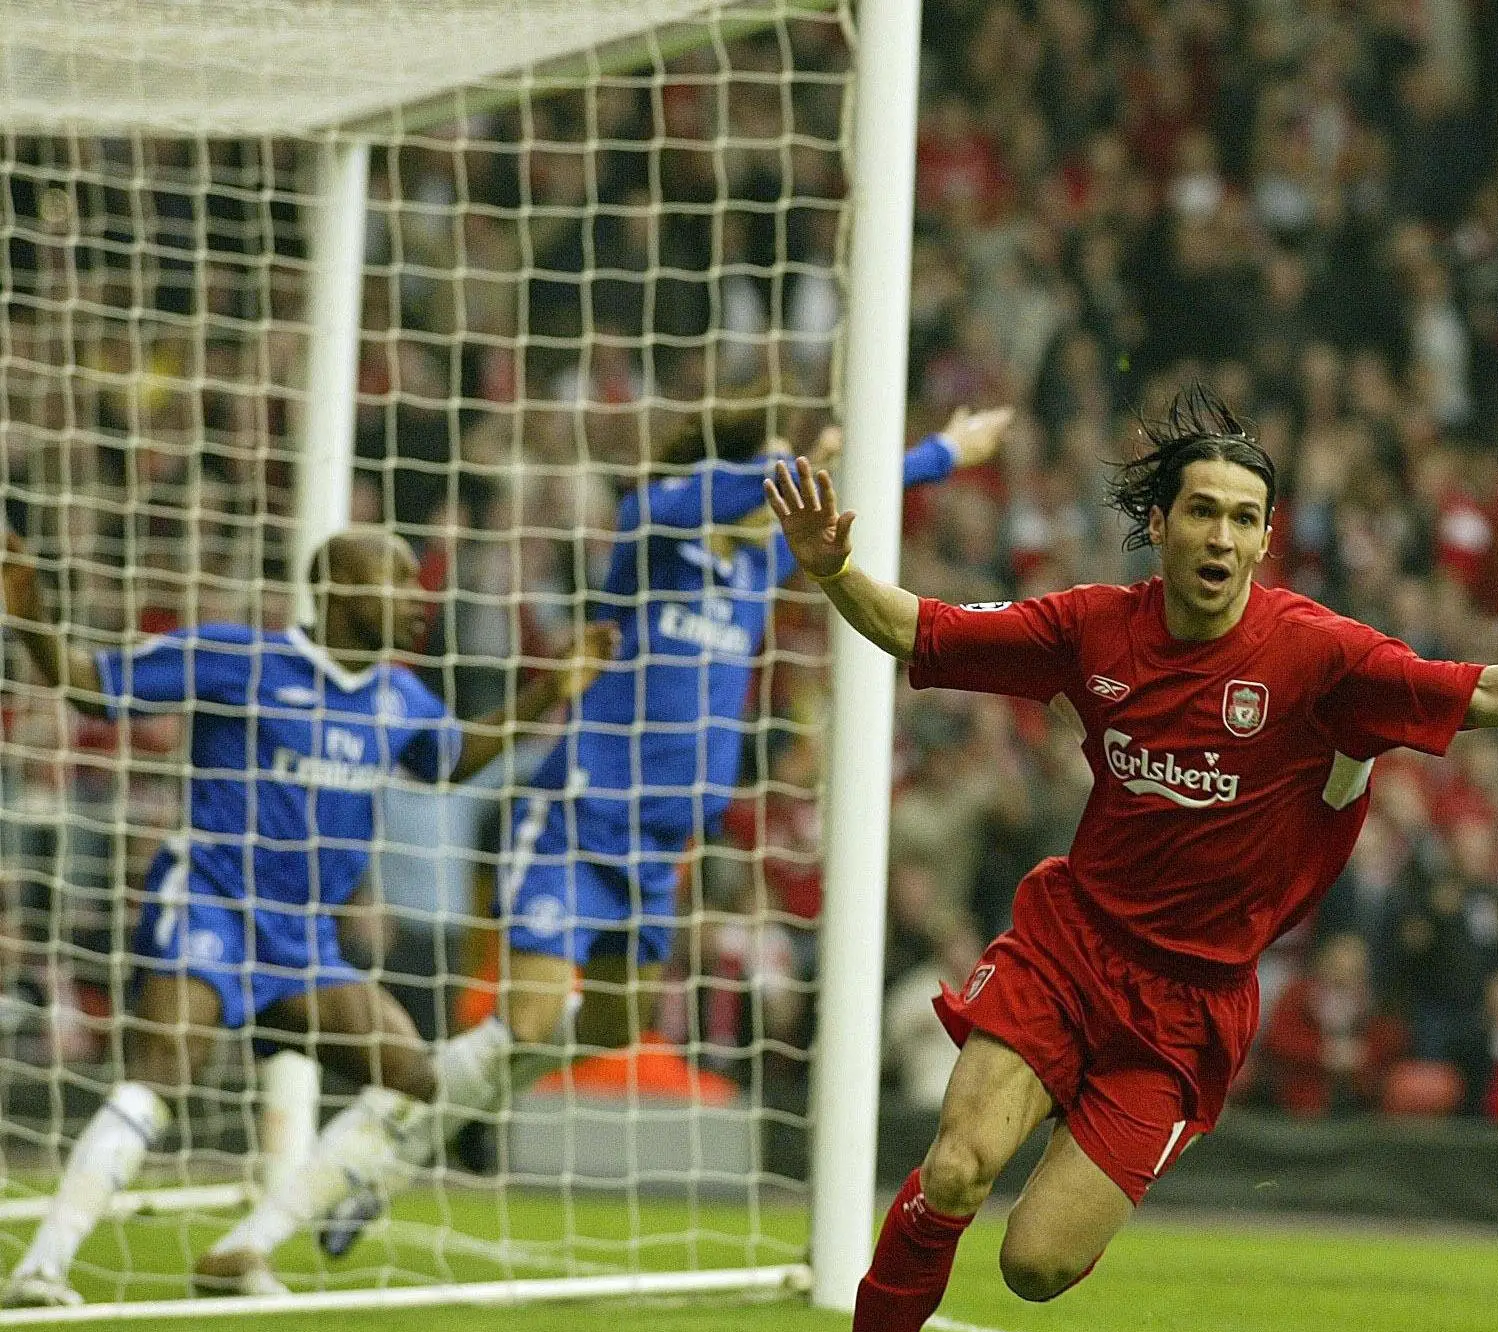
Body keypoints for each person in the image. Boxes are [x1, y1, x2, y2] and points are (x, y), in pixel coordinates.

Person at [767, 387, 1498, 1332]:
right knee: (953, 1167)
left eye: (1242, 516)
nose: (1221, 533)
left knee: (1032, 1266)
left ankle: (1115, 1120)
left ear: (1265, 536)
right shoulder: (1089, 627)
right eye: (1201, 510)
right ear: (1159, 525)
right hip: (1069, 944)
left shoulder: (1316, 654)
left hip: (1188, 1004)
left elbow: (1478, 688)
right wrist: (832, 569)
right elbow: (919, 628)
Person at [191, 405, 1015, 1287]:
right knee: (534, 1020)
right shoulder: (652, 535)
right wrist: (803, 461)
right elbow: (708, 492)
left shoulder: (754, 571)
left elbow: (862, 499)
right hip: (579, 825)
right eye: (771, 475)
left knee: (607, 1026)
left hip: (658, 856)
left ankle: (439, 1120)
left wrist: (945, 452)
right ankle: (270, 1227)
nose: (784, 494)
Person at [0, 527, 611, 1308]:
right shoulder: (241, 660)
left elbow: (452, 761)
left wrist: (545, 692)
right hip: (213, 903)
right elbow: (92, 685)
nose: (415, 596)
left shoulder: (400, 696)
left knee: (414, 1076)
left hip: (305, 942)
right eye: (392, 579)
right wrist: (32, 618)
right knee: (164, 1073)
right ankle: (41, 1267)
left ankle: (242, 1248)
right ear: (335, 589)